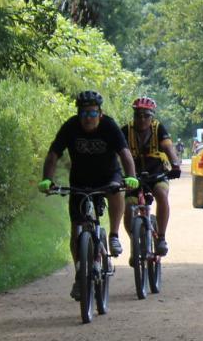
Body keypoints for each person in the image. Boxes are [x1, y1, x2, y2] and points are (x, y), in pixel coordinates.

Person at [38, 90, 138, 298]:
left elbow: (125, 154)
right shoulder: (70, 126)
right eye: (83, 113)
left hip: (108, 175)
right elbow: (54, 153)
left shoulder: (109, 126)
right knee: (76, 229)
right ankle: (79, 275)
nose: (88, 118)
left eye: (92, 113)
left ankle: (113, 235)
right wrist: (47, 179)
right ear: (78, 114)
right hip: (81, 180)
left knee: (116, 190)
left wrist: (131, 176)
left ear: (100, 113)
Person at [126, 96, 181, 257]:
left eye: (146, 115)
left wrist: (175, 165)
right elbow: (117, 152)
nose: (142, 119)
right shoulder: (126, 130)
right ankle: (135, 243)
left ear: (152, 116)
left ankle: (161, 237)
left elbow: (168, 148)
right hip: (134, 176)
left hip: (157, 172)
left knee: (161, 194)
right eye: (138, 115)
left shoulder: (158, 129)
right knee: (128, 207)